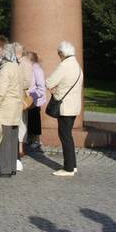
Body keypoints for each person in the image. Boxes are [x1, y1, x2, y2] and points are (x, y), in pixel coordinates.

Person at [45, 40, 83, 177]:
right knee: (68, 135)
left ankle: (68, 168)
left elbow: (49, 82)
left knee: (65, 136)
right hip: (74, 106)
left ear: (62, 53)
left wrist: (54, 89)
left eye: (58, 53)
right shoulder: (77, 66)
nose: (58, 56)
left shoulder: (65, 65)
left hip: (64, 106)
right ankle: (72, 165)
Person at [0, 42, 25, 178]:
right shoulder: (16, 67)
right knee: (12, 140)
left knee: (3, 141)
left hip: (5, 109)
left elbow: (0, 92)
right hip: (16, 108)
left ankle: (4, 169)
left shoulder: (5, 69)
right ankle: (11, 167)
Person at [22, 51, 47, 152]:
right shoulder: (30, 68)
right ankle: (30, 139)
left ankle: (36, 141)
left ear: (30, 60)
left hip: (34, 100)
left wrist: (32, 95)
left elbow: (41, 86)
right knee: (29, 120)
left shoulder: (37, 70)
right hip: (28, 99)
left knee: (34, 119)